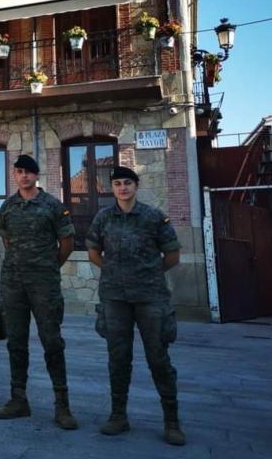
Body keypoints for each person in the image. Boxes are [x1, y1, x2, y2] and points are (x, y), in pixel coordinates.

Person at [88, 166, 185, 446]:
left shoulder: (153, 216)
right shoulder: (103, 217)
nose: (122, 188)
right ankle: (118, 416)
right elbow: (93, 251)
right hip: (115, 298)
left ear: (136, 185)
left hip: (150, 297)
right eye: (117, 183)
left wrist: (148, 274)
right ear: (112, 188)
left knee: (158, 357)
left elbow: (173, 254)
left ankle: (172, 421)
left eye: (127, 183)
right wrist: (114, 272)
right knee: (118, 358)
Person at [0, 155, 78, 430]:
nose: (24, 176)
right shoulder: (7, 207)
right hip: (14, 283)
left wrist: (49, 267)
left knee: (52, 342)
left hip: (44, 284)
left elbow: (66, 243)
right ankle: (19, 400)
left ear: (36, 175)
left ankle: (62, 405)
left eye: (28, 172)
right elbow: (6, 239)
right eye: (19, 172)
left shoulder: (52, 205)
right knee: (16, 342)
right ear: (14, 175)